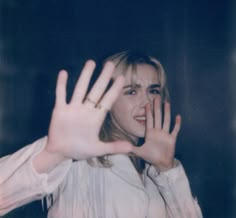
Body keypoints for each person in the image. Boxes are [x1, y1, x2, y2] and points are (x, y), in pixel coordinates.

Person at [0, 51, 202, 217]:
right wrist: (53, 154)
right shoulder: (80, 161)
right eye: (131, 91)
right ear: (107, 99)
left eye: (154, 91)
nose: (147, 103)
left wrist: (167, 171)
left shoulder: (155, 172)